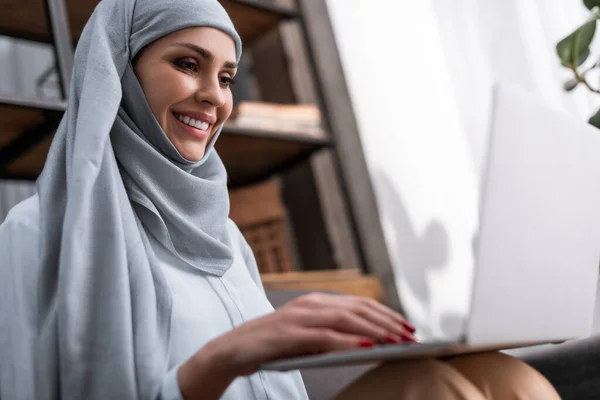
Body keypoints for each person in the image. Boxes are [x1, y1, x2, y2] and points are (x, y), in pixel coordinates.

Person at [0, 0, 561, 399]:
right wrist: (228, 355)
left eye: (226, 77)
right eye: (187, 63)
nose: (214, 97)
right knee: (435, 392)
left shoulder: (225, 237)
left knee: (502, 376)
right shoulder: (39, 231)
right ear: (120, 73)